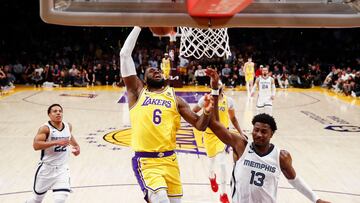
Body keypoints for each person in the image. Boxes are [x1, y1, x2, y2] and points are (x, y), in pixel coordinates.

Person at [120, 26, 218, 203]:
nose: (156, 71)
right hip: (147, 160)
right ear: (143, 78)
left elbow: (200, 125)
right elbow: (124, 55)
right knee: (160, 200)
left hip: (170, 160)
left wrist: (207, 111)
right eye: (151, 71)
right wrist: (139, 25)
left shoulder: (176, 99)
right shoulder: (137, 91)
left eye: (158, 70)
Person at [210, 113, 331, 203]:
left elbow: (294, 180)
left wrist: (316, 199)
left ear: (271, 134)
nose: (258, 134)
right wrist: (214, 91)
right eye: (256, 130)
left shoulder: (281, 156)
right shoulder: (242, 147)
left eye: (264, 131)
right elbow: (216, 126)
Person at [192, 82, 246, 203]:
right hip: (209, 135)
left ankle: (223, 193)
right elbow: (194, 111)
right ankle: (211, 176)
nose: (218, 87)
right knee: (211, 162)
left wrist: (241, 133)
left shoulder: (229, 101)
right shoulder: (205, 99)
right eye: (216, 86)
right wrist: (200, 121)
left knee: (222, 163)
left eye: (220, 85)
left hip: (222, 135)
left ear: (222, 87)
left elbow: (233, 118)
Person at [26, 104, 80, 203]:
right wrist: (56, 142)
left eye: (60, 111)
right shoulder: (45, 128)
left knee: (60, 199)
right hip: (46, 169)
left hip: (62, 169)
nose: (58, 113)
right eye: (55, 111)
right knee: (36, 200)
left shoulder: (68, 126)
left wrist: (76, 146)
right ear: (49, 115)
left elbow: (69, 136)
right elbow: (36, 145)